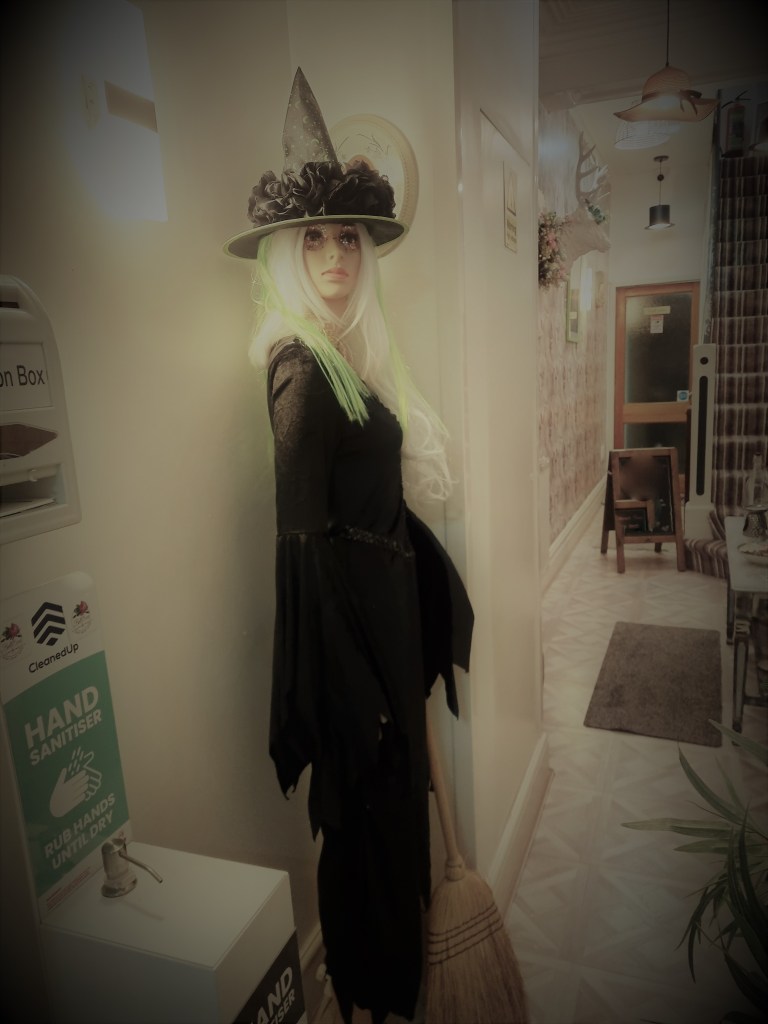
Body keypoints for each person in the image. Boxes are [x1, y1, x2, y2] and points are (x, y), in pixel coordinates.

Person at [224, 68, 473, 1024]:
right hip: (353, 664)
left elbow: (367, 511)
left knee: (392, 833)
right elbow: (303, 552)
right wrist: (359, 696)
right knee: (367, 839)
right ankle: (370, 1001)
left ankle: (388, 995)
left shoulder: (342, 357)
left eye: (348, 237)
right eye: (314, 238)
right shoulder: (298, 367)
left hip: (385, 632)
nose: (335, 255)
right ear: (287, 253)